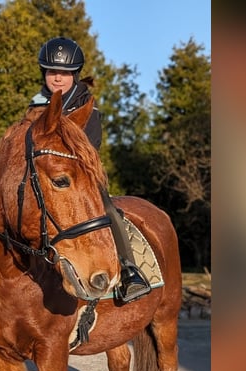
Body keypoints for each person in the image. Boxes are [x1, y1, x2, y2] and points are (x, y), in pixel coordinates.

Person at [30, 36, 151, 302]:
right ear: (44, 73)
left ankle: (129, 269)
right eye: (52, 72)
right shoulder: (36, 104)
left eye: (65, 73)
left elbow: (90, 146)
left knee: (108, 209)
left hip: (81, 176)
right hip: (45, 178)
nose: (58, 79)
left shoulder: (87, 106)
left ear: (75, 75)